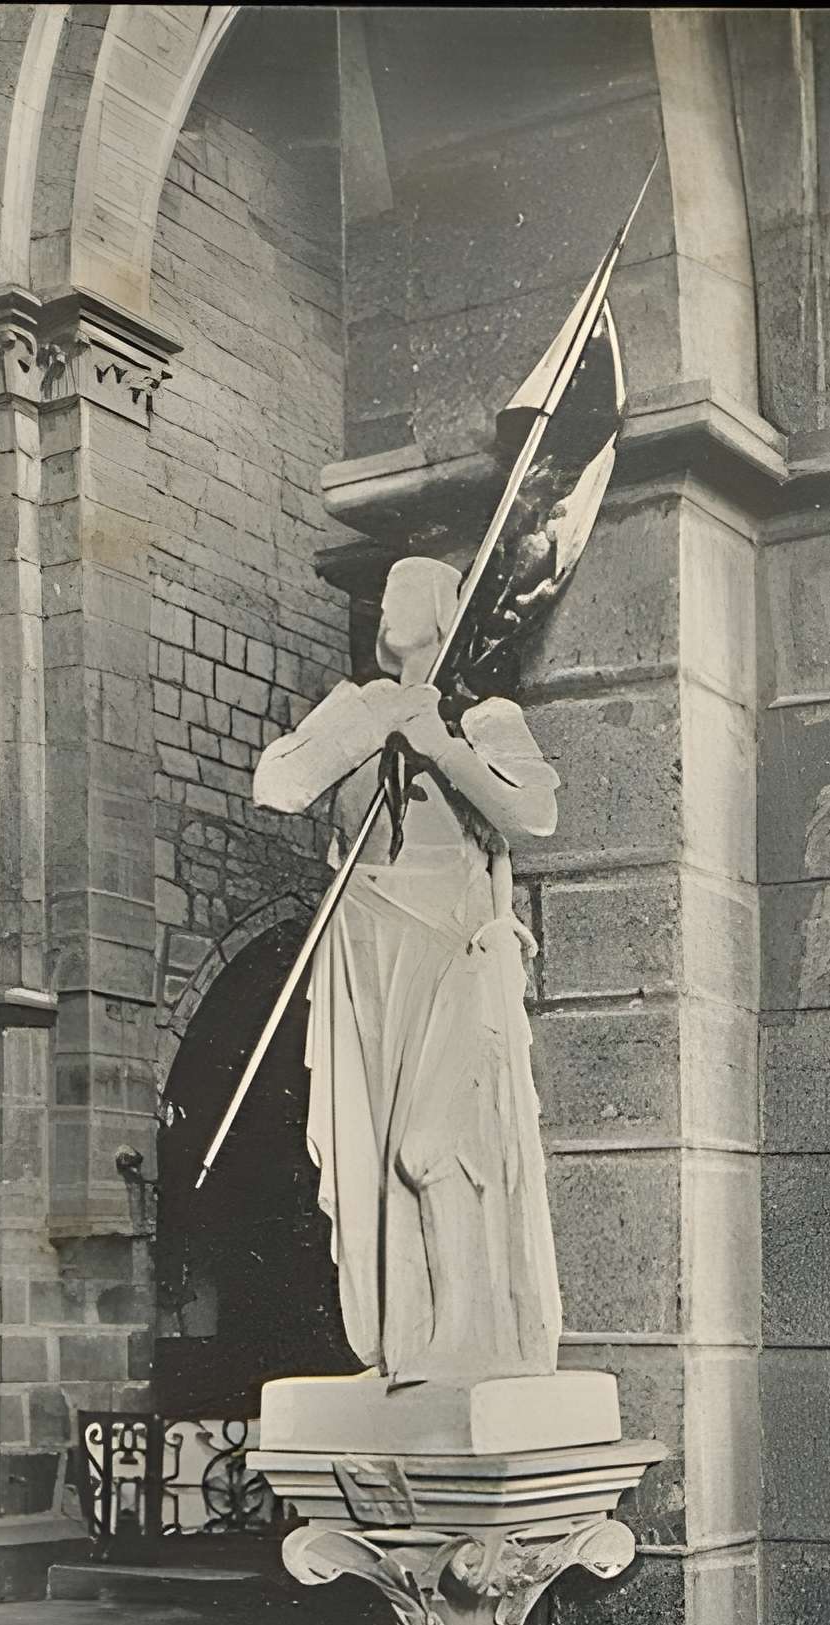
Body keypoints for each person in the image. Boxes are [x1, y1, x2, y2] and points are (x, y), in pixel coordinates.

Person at [252, 556, 563, 1386]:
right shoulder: (354, 704)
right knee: (377, 1154)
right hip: (366, 946)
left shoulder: (480, 716)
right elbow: (277, 784)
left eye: (405, 588)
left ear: (442, 607)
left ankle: (467, 1333)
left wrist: (440, 747)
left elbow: (534, 813)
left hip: (452, 941)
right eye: (383, 590)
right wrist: (363, 729)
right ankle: (405, 1347)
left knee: (436, 1142)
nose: (386, 602)